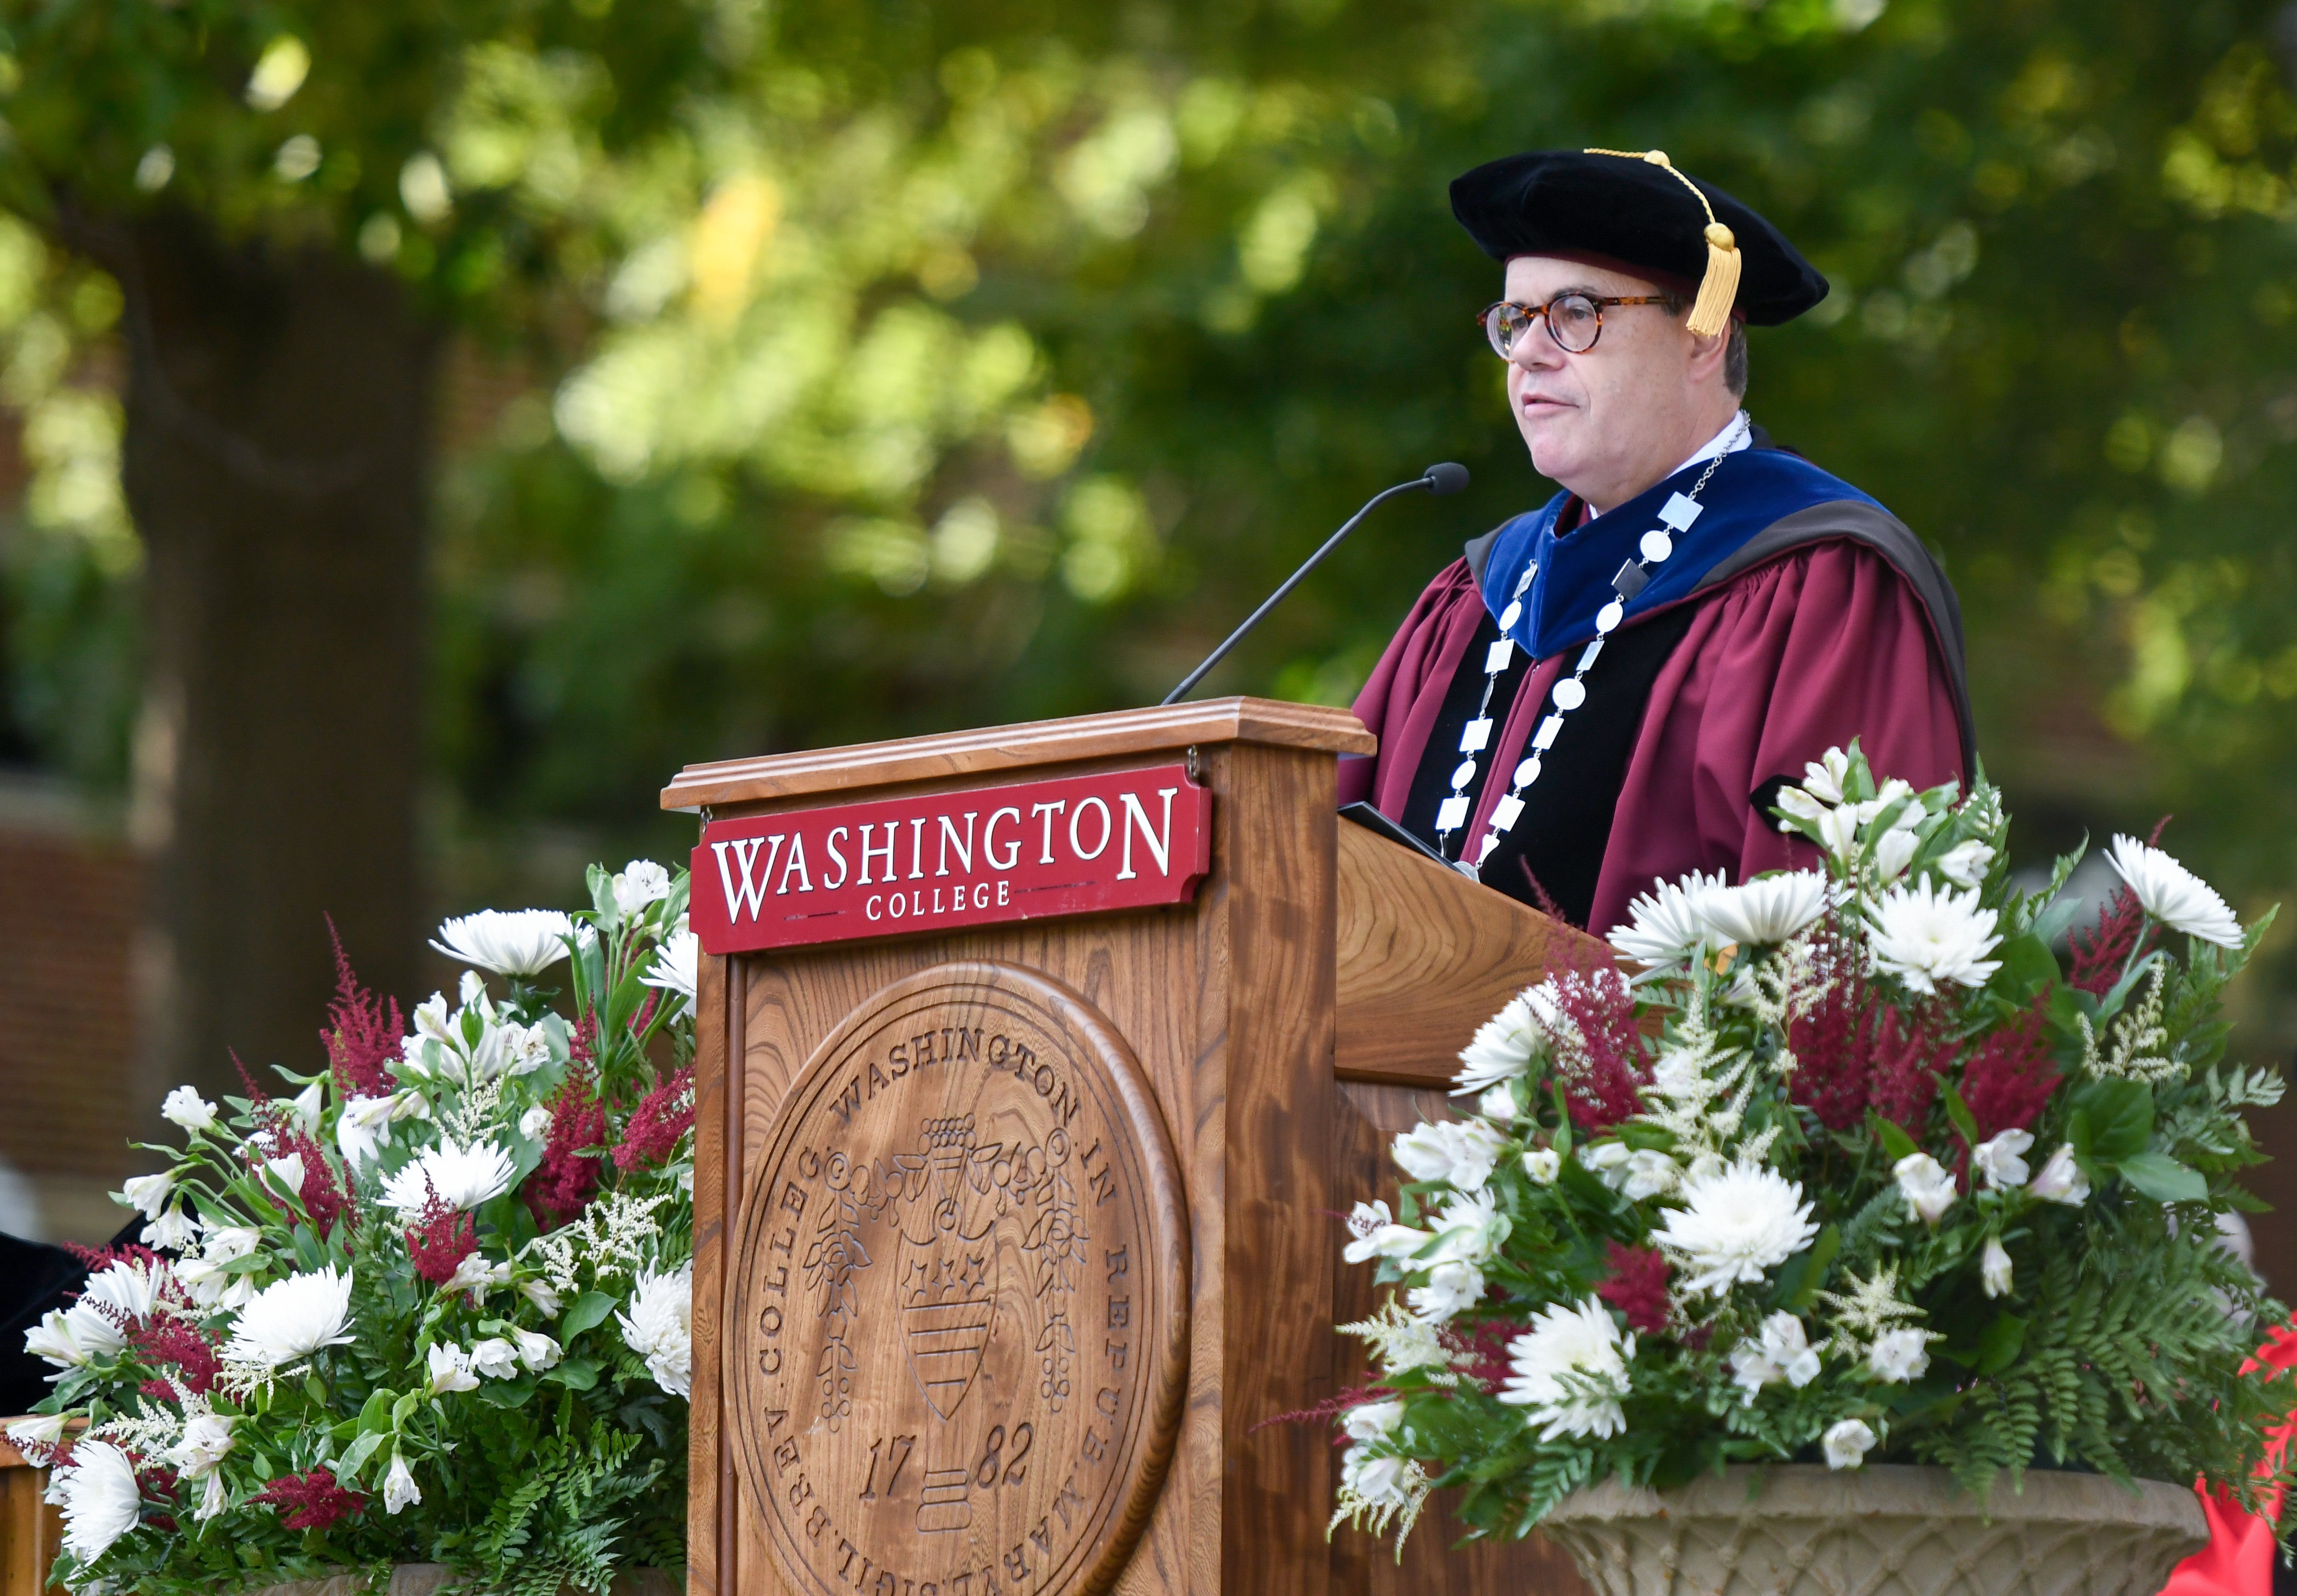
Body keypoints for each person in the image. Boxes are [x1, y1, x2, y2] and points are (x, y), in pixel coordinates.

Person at [1338, 148, 1974, 932]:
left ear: (1704, 339)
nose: (1530, 351)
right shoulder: (1478, 597)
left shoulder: (1823, 586)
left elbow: (1837, 953)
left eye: (1576, 313)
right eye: (1514, 320)